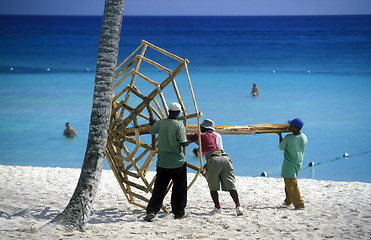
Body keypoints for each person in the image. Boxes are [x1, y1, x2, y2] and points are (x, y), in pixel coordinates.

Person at [187, 119, 244, 216]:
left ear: (204, 128)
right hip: (225, 158)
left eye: (201, 128)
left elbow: (187, 137)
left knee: (213, 185)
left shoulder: (201, 135)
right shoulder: (218, 135)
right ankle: (238, 206)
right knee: (231, 185)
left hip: (213, 159)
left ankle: (217, 207)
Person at [144, 102, 189, 222]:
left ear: (168, 111)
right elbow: (183, 143)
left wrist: (152, 123)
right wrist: (192, 140)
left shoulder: (160, 123)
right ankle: (178, 213)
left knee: (159, 188)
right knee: (179, 188)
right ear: (178, 113)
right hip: (177, 162)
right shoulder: (179, 126)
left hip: (162, 162)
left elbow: (152, 131)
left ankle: (152, 211)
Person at [277, 118, 308, 210]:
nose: (289, 126)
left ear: (295, 127)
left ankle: (299, 203)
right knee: (288, 181)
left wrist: (280, 135)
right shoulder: (304, 136)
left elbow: (281, 147)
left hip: (289, 163)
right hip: (298, 162)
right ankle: (288, 200)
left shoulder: (288, 138)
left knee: (291, 183)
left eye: (291, 125)